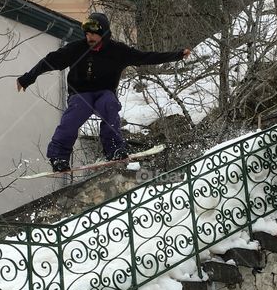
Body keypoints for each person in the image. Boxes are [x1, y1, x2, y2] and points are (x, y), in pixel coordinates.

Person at [17, 12, 191, 172]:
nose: (89, 38)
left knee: (109, 103)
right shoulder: (75, 49)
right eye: (87, 34)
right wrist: (27, 79)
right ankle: (58, 157)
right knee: (75, 113)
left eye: (93, 34)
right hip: (80, 94)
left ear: (104, 34)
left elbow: (146, 57)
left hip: (104, 92)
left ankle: (114, 149)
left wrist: (177, 55)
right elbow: (49, 61)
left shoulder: (118, 51)